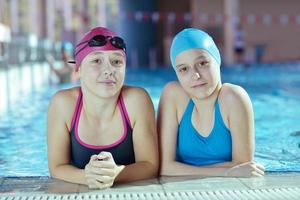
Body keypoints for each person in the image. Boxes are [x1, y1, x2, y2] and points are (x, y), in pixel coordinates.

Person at [47, 27, 158, 189]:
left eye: (117, 62)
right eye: (96, 61)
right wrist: (86, 176)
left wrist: (116, 173)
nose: (108, 70)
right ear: (78, 69)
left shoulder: (137, 100)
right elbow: (56, 167)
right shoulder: (63, 104)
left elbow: (150, 165)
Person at [158, 28, 264, 177]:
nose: (195, 75)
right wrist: (227, 171)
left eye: (202, 63)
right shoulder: (173, 95)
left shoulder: (233, 98)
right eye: (184, 69)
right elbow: (164, 168)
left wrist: (183, 169)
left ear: (217, 60)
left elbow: (244, 167)